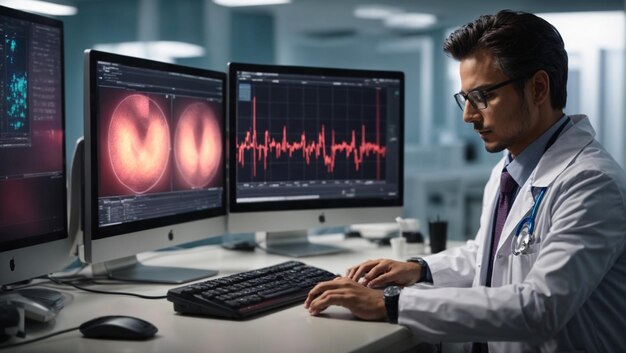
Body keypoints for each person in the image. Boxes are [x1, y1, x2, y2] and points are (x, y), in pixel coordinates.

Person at [304, 9, 626, 353]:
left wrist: (390, 305)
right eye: (465, 98)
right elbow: (489, 257)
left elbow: (539, 307)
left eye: (482, 97)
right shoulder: (512, 167)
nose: (468, 115)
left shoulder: (591, 183)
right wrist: (420, 270)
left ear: (538, 88)